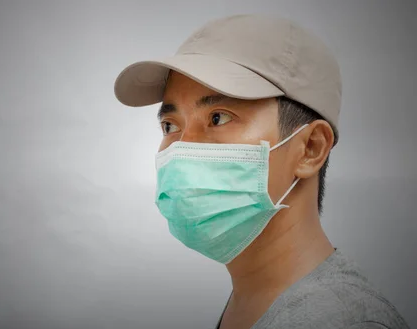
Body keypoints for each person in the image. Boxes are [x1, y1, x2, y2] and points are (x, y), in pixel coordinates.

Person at [113, 14, 410, 329]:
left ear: (310, 148)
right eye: (170, 125)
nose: (182, 150)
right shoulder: (257, 299)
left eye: (218, 118)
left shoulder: (345, 322)